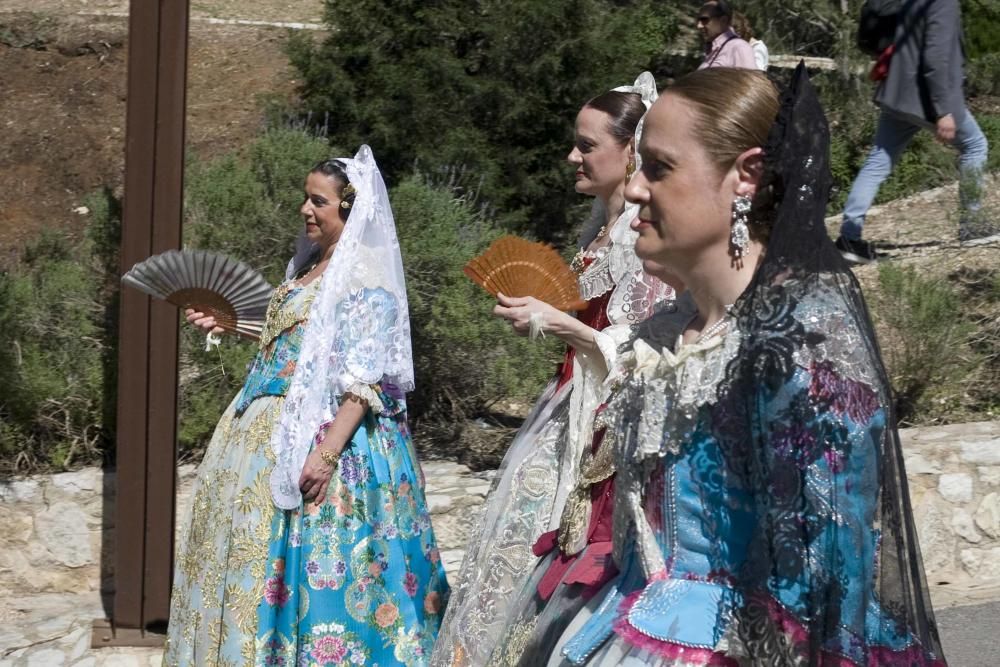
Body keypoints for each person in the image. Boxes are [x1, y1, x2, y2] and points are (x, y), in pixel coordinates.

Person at [546, 66, 949, 666]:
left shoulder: (799, 350)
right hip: (636, 625)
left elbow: (828, 593)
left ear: (746, 176)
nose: (633, 191)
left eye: (659, 168)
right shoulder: (662, 335)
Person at [165, 146, 449, 666]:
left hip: (331, 437)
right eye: (305, 198)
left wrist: (326, 452)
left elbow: (362, 374)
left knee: (326, 571)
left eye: (318, 200)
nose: (305, 210)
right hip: (261, 425)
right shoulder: (310, 264)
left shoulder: (364, 273)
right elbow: (306, 342)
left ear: (350, 207)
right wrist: (233, 325)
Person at [430, 73, 675, 667]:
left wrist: (563, 324)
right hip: (566, 406)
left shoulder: (641, 238)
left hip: (604, 429)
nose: (573, 156)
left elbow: (647, 351)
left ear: (631, 152)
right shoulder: (599, 229)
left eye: (587, 145)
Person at [836, 0, 992, 264]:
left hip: (897, 94)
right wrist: (943, 110)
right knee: (975, 146)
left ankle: (848, 239)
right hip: (927, 99)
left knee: (877, 161)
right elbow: (936, 57)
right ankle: (972, 225)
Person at [696, 0, 756, 70]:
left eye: (704, 20)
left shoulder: (739, 47)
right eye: (698, 20)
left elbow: (749, 80)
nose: (699, 26)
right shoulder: (714, 48)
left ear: (723, 20)